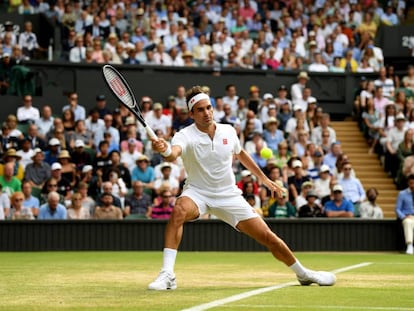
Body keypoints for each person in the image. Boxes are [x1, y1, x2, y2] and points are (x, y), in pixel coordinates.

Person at [148, 85, 336, 290]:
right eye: (200, 110)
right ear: (192, 114)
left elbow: (241, 154)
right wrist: (164, 149)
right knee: (179, 210)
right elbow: (172, 154)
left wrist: (263, 179)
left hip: (229, 195)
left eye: (208, 108)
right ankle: (167, 275)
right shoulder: (184, 135)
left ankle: (303, 274)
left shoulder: (228, 131)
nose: (206, 113)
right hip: (198, 193)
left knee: (268, 237)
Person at [395, 174, 414, 255]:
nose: (413, 185)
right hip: (407, 217)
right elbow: (397, 209)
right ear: (408, 183)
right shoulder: (402, 194)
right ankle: (409, 245)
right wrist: (403, 216)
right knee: (408, 222)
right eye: (411, 183)